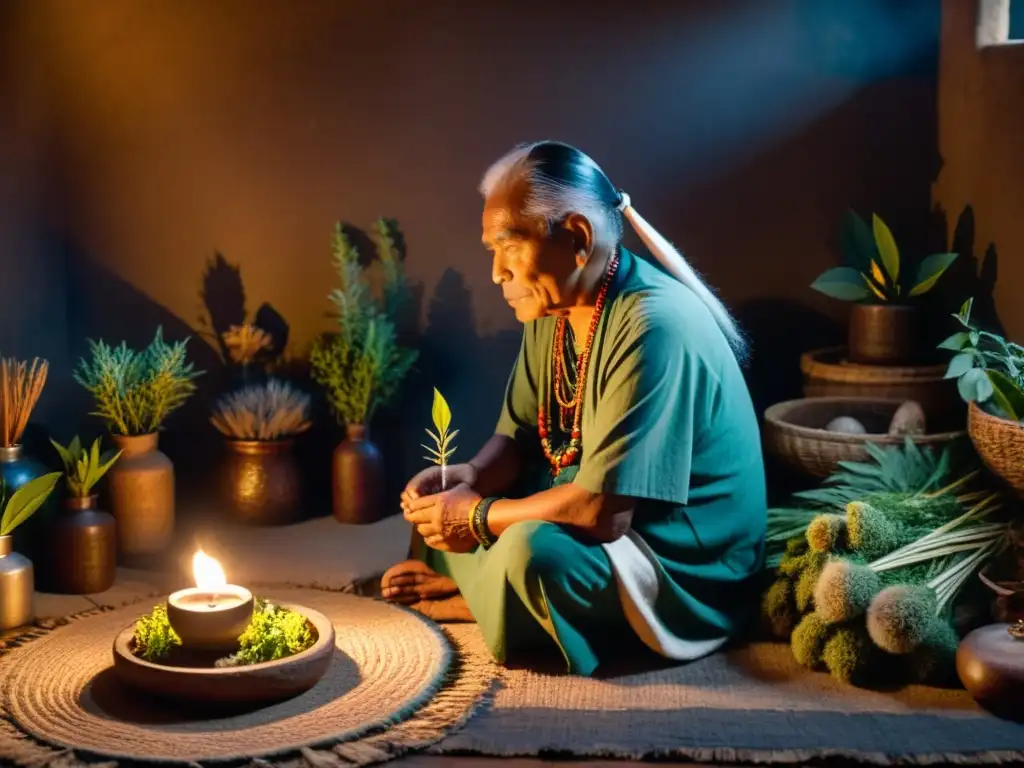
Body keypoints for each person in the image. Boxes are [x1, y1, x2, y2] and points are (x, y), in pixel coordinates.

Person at [382, 140, 766, 677]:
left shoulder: (655, 324)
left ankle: (481, 597)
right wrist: (468, 477)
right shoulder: (554, 303)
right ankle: (497, 591)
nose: (496, 273)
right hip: (582, 496)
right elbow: (517, 437)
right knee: (448, 503)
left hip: (674, 556)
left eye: (508, 247)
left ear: (578, 238)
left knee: (532, 552)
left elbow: (604, 514)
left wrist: (475, 516)